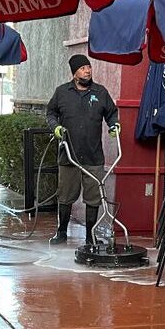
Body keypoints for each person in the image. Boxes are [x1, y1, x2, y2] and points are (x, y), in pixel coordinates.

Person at [46, 54, 119, 246]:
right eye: (83, 68)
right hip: (68, 154)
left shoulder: (100, 92)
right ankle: (61, 232)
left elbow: (112, 113)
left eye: (89, 67)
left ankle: (90, 236)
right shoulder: (62, 92)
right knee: (66, 196)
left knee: (93, 198)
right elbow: (51, 112)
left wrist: (114, 125)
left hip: (93, 155)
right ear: (74, 72)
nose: (87, 71)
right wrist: (55, 127)